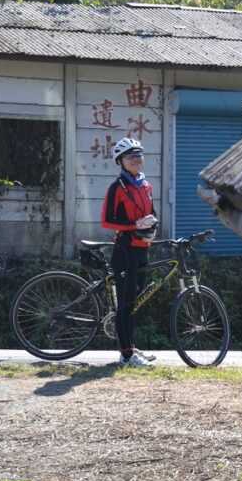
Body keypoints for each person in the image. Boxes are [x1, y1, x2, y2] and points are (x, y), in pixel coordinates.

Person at [101, 137, 158, 367]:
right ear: (121, 161)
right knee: (125, 304)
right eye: (130, 156)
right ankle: (126, 355)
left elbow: (151, 212)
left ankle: (130, 347)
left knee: (133, 303)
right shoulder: (117, 188)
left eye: (139, 155)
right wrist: (135, 226)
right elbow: (107, 221)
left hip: (142, 249)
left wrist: (152, 226)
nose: (136, 159)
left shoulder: (145, 185)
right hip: (125, 250)